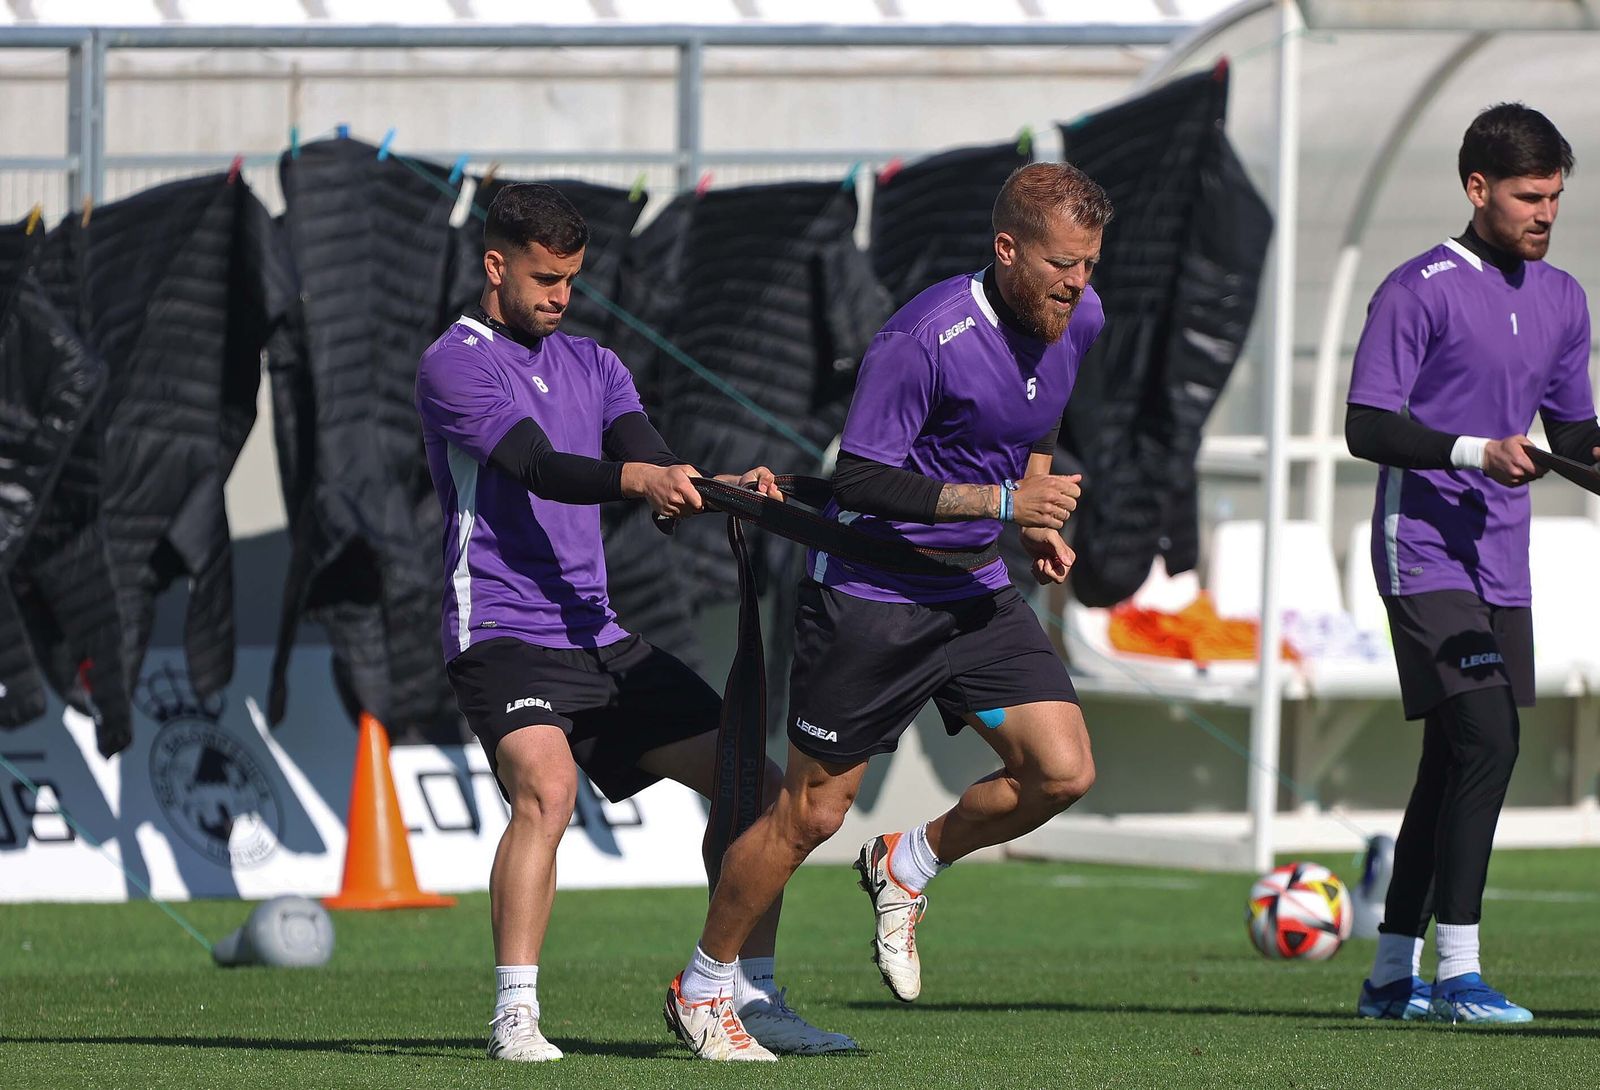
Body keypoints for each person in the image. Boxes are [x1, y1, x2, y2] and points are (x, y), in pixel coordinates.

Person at [663, 162, 1111, 1059]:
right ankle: (705, 986)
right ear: (1006, 248)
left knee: (1061, 772)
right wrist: (1001, 507)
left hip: (972, 589)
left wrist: (1032, 521)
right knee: (812, 816)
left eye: (1091, 264)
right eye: (1062, 264)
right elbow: (864, 478)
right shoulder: (923, 337)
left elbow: (1036, 430)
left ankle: (909, 862)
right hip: (872, 595)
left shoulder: (1077, 318)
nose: (1078, 283)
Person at [415, 183, 855, 1062]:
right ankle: (515, 1016)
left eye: (572, 279)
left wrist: (721, 486)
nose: (559, 296)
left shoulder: (597, 363)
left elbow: (645, 453)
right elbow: (538, 467)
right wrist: (643, 484)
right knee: (548, 791)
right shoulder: (454, 363)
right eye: (544, 277)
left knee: (758, 788)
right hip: (502, 631)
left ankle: (746, 997)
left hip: (600, 637)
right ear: (496, 266)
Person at [1345, 103, 1591, 1026]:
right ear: (1477, 187)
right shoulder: (1419, 289)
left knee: (1450, 759)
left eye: (1556, 197)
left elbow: (1573, 435)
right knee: (1491, 739)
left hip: (1503, 563)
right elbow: (1364, 424)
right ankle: (1457, 977)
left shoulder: (1565, 298)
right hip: (1423, 554)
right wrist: (1474, 451)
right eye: (1529, 196)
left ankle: (1387, 978)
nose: (1545, 213)